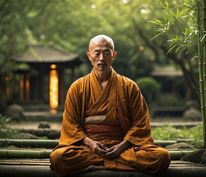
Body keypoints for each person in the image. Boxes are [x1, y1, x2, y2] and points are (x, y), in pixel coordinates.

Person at [50, 34, 171, 177]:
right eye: (97, 52)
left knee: (162, 157)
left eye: (106, 52)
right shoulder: (77, 87)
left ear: (113, 55)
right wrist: (91, 143)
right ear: (89, 55)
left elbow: (140, 123)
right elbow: (71, 125)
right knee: (59, 158)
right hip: (88, 148)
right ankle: (114, 161)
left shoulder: (129, 86)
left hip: (123, 146)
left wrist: (122, 146)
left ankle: (100, 161)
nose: (101, 58)